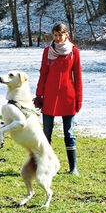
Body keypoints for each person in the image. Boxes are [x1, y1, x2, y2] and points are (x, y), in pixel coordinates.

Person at [33, 23, 83, 175]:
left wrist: (78, 99)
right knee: (46, 132)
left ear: (66, 35)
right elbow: (43, 73)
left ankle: (73, 167)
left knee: (69, 132)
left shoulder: (74, 52)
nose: (58, 38)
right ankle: (44, 165)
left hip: (68, 96)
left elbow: (78, 77)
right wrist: (39, 94)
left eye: (60, 35)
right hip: (50, 96)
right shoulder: (48, 51)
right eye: (55, 35)